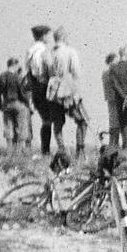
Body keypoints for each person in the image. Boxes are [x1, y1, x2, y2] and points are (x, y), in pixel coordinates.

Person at [46, 28, 83, 157]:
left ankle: (62, 149)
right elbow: (76, 72)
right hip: (68, 89)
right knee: (82, 120)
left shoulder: (50, 53)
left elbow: (48, 72)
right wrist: (77, 92)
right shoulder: (70, 51)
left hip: (53, 91)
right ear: (64, 37)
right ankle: (80, 149)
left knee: (57, 123)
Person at [25, 25, 55, 155]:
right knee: (48, 121)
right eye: (48, 34)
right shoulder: (43, 51)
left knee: (45, 119)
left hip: (34, 87)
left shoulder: (30, 51)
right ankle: (46, 150)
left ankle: (45, 150)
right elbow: (46, 69)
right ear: (43, 36)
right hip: (43, 86)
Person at [0, 59, 29, 146]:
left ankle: (9, 147)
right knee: (21, 125)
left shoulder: (2, 76)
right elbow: (23, 92)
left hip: (6, 103)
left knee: (8, 125)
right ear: (14, 65)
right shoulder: (18, 77)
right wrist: (27, 102)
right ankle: (22, 147)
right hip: (18, 102)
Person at [100, 54, 121, 147]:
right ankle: (114, 143)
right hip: (115, 98)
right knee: (116, 122)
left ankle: (113, 143)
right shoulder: (110, 72)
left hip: (110, 99)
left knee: (113, 122)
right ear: (111, 61)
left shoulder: (105, 72)